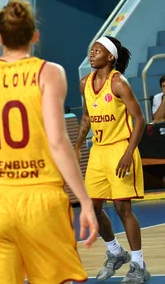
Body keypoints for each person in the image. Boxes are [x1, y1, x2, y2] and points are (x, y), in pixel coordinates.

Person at [0, 0, 98, 284]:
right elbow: (58, 143)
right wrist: (84, 200)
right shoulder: (49, 72)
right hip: (40, 199)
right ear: (35, 36)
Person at [75, 36, 150, 282]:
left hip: (120, 149)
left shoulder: (119, 83)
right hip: (98, 150)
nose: (92, 53)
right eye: (91, 49)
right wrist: (76, 145)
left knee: (122, 208)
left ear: (110, 57)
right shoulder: (85, 83)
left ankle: (139, 265)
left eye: (97, 50)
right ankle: (116, 252)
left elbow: (140, 119)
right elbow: (86, 116)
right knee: (93, 208)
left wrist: (129, 152)